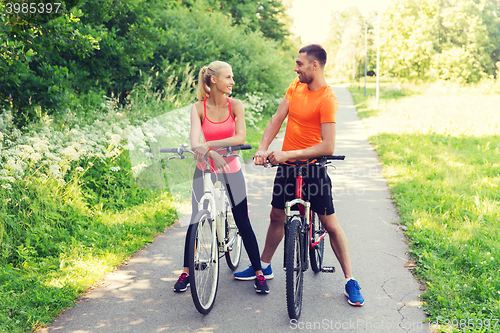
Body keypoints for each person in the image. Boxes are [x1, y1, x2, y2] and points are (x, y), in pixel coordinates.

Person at [233, 45, 364, 306]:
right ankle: (265, 265)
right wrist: (262, 148)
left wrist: (288, 154)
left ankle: (350, 280)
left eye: (299, 64)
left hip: (313, 167)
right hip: (288, 166)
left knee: (329, 224)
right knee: (276, 215)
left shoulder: (327, 98)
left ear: (315, 65)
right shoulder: (295, 86)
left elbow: (328, 146)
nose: (296, 68)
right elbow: (277, 118)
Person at [173, 61, 269, 294]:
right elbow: (195, 142)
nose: (232, 82)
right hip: (204, 166)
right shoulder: (198, 108)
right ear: (214, 80)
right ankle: (186, 271)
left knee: (242, 220)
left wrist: (211, 146)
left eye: (232, 77)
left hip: (230, 166)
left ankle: (259, 272)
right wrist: (208, 151)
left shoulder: (235, 105)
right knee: (195, 219)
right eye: (228, 77)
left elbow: (239, 138)